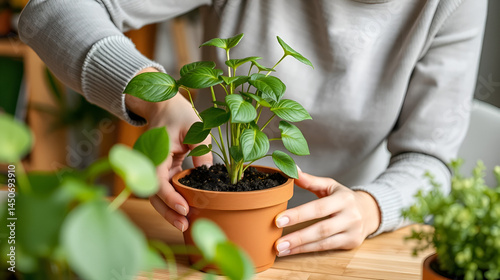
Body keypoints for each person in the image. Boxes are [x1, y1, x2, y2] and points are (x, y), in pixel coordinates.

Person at [18, 0, 487, 257]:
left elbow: (430, 158)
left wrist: (372, 207)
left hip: (351, 248)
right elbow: (50, 10)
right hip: (207, 228)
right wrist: (158, 97)